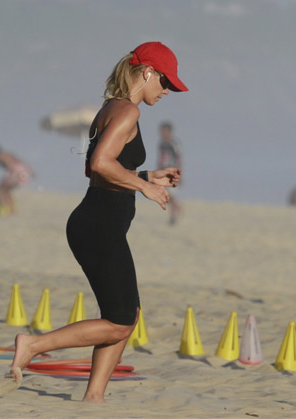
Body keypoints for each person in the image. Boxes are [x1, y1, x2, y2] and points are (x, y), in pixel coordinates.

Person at [10, 41, 188, 402]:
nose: (167, 91)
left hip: (95, 221)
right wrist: (144, 188)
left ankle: (94, 397)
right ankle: (33, 345)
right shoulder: (128, 113)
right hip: (99, 224)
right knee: (122, 319)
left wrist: (150, 176)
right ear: (148, 72)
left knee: (125, 315)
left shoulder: (112, 108)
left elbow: (102, 169)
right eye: (166, 82)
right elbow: (99, 165)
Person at [0, 144, 34, 215]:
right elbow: (19, 161)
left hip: (16, 173)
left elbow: (11, 165)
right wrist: (30, 171)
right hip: (21, 171)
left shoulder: (1, 157)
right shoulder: (6, 155)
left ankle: (7, 208)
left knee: (0, 189)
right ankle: (11, 209)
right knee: (4, 190)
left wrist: (13, 176)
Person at [158, 121, 183, 225]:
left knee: (171, 195)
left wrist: (179, 174)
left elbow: (178, 158)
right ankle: (177, 210)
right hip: (163, 172)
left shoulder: (174, 144)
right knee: (166, 195)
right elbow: (161, 158)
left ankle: (174, 216)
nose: (163, 133)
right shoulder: (161, 144)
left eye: (165, 131)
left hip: (173, 172)